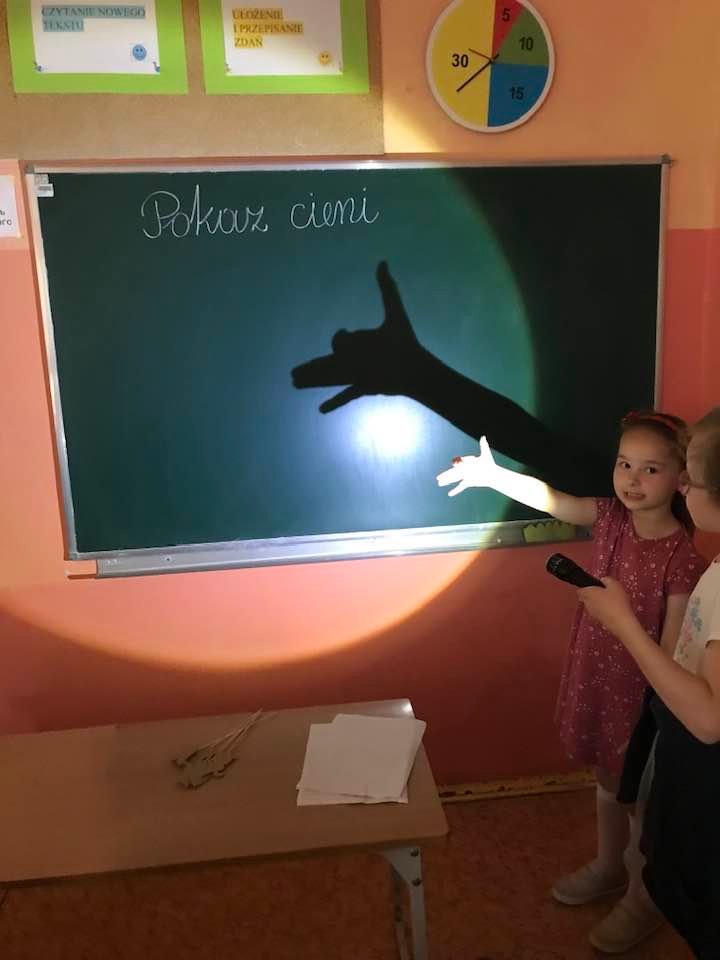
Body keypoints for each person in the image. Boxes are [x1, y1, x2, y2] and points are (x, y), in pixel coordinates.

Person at [437, 411, 707, 953]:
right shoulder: (609, 517)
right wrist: (494, 476)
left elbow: (671, 653)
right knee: (604, 780)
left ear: (682, 479)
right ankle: (609, 866)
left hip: (643, 699)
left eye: (650, 469)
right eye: (624, 464)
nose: (632, 479)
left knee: (640, 801)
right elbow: (554, 500)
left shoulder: (683, 558)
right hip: (596, 681)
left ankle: (644, 897)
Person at [579, 407, 720, 959]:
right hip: (675, 731)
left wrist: (622, 623)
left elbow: (708, 719)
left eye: (692, 479)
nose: (683, 487)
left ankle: (645, 901)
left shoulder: (693, 565)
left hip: (691, 746)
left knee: (664, 833)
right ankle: (621, 875)